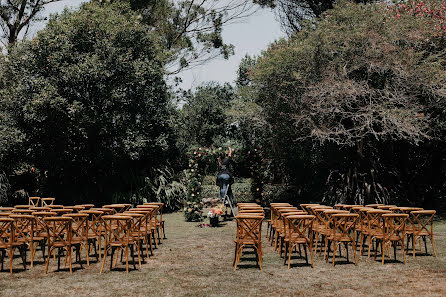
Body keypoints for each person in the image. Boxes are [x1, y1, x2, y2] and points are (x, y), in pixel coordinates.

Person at [216, 145, 234, 210]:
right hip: (226, 175)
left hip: (220, 176)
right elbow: (230, 153)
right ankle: (226, 200)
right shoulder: (226, 160)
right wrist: (229, 148)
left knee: (222, 187)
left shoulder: (220, 161)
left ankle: (223, 198)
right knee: (225, 186)